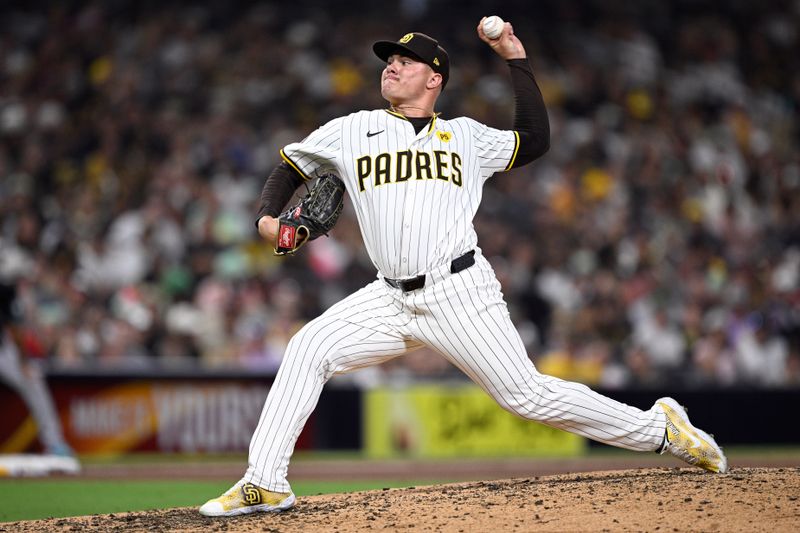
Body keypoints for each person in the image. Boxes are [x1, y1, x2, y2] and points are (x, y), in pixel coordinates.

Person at [199, 19, 727, 517]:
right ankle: (265, 480)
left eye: (405, 61)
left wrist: (516, 59)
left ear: (434, 79)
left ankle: (661, 430)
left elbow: (534, 140)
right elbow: (291, 166)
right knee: (308, 348)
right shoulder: (351, 130)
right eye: (389, 60)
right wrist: (268, 219)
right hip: (388, 298)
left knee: (528, 396)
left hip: (459, 292)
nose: (391, 67)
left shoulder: (468, 138)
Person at [0, 280, 79, 469]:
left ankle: (54, 443)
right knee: (33, 379)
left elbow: (15, 328)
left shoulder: (4, 290)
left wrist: (24, 361)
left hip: (2, 349)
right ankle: (54, 442)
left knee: (33, 378)